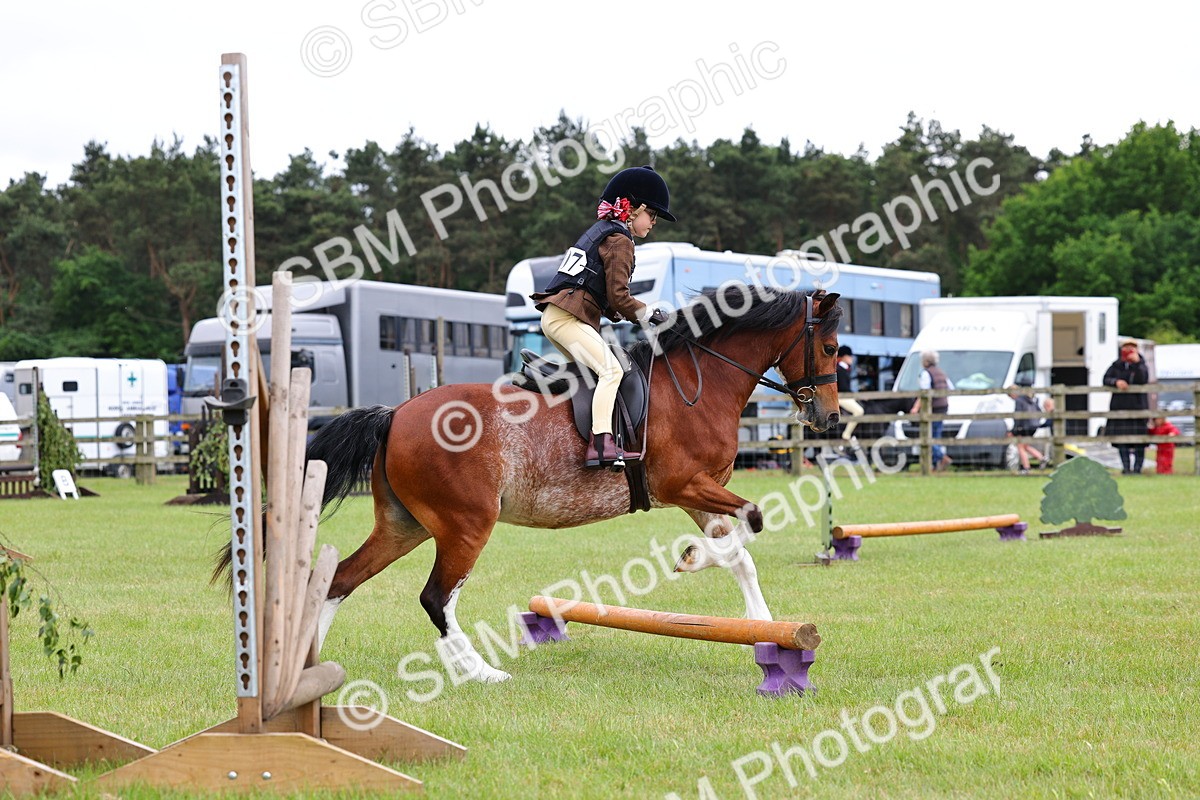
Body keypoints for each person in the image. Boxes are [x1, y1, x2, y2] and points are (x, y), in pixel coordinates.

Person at [530, 165, 673, 470]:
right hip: (567, 319)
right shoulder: (620, 240)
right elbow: (620, 296)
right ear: (635, 209)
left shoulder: (603, 232)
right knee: (611, 371)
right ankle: (601, 445)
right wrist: (649, 313)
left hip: (557, 316)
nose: (653, 223)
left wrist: (621, 312)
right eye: (652, 215)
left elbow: (605, 296)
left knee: (594, 374)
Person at [1103, 339, 1150, 474]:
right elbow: (1106, 379)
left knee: (1140, 441)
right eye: (1126, 347)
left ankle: (1137, 469)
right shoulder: (1116, 366)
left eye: (1132, 348)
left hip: (1138, 407)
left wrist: (1137, 363)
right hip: (1119, 408)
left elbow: (1143, 379)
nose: (1129, 350)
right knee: (1121, 440)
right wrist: (1116, 382)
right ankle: (1126, 468)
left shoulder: (1142, 365)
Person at [909, 350, 953, 470]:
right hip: (943, 408)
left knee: (928, 437)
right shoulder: (942, 373)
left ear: (926, 361)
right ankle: (934, 465)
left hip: (933, 409)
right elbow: (950, 388)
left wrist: (915, 407)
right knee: (936, 436)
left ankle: (942, 457)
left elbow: (924, 393)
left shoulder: (926, 374)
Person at [1007, 379, 1051, 474]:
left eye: (1010, 396)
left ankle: (1026, 468)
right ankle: (1042, 458)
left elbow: (1018, 417)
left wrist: (1014, 431)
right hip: (1033, 426)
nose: (1011, 398)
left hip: (1024, 426)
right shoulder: (1031, 399)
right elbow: (1039, 411)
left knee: (1020, 446)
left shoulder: (1019, 400)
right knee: (1025, 446)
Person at [835, 345, 864, 441]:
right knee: (859, 411)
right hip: (841, 397)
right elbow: (843, 388)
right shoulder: (840, 369)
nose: (851, 358)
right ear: (844, 357)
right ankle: (846, 434)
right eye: (849, 356)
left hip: (845, 396)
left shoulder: (844, 369)